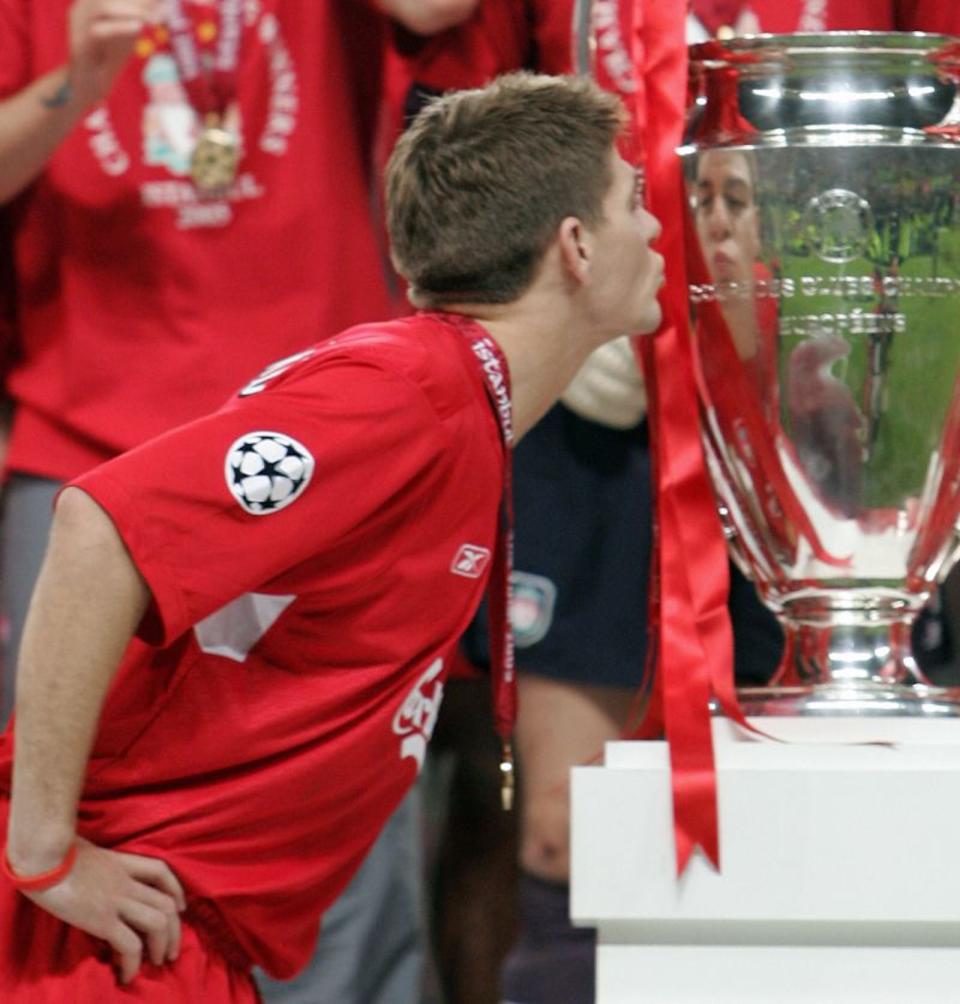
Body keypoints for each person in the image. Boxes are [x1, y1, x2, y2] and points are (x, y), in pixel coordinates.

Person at [0, 71, 665, 1001]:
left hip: (173, 933)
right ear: (578, 246)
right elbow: (96, 530)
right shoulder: (408, 396)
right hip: (118, 931)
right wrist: (40, 854)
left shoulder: (453, 400)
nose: (657, 229)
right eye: (635, 201)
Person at [0, 3, 480, 1002]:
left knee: (339, 843)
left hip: (318, 457)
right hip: (90, 452)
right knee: (72, 847)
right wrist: (75, 86)